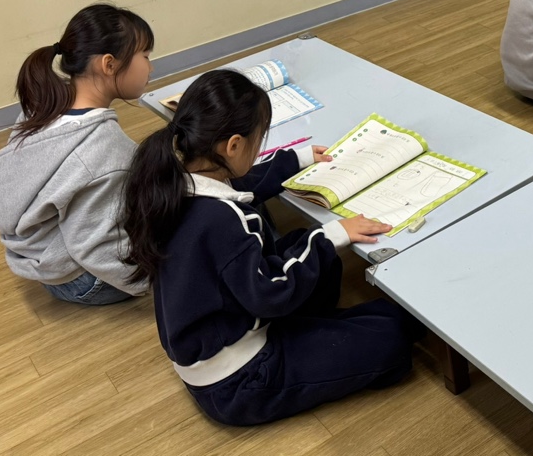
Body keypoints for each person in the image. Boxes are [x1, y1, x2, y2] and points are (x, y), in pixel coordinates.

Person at [121, 69, 424, 426]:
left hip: (222, 338)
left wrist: (297, 160)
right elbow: (270, 293)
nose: (259, 148)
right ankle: (322, 339)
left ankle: (318, 334)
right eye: (258, 140)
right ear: (233, 146)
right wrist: (333, 234)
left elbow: (243, 181)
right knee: (392, 335)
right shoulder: (222, 221)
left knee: (302, 246)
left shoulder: (176, 181)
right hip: (241, 380)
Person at [0, 4, 156, 305]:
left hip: (35, 254)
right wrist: (150, 281)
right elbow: (93, 247)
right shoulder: (105, 149)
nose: (150, 67)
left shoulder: (43, 103)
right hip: (81, 280)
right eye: (146, 56)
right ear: (109, 64)